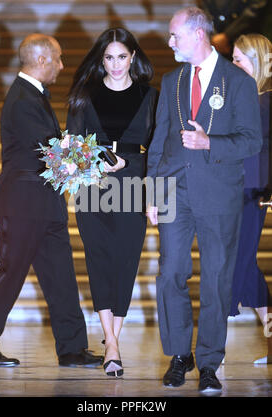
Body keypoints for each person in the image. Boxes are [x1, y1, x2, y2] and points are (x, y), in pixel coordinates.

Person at [146, 7, 262, 393]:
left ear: (198, 34)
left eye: (174, 35)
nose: (170, 42)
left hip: (219, 196)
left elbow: (252, 141)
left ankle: (209, 361)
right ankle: (180, 355)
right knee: (170, 274)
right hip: (174, 195)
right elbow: (160, 142)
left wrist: (210, 142)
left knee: (216, 279)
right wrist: (151, 192)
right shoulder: (172, 80)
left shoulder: (239, 83)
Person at [0, 33, 103, 368]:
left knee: (60, 275)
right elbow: (49, 152)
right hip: (24, 204)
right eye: (57, 58)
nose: (61, 65)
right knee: (10, 274)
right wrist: (94, 159)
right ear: (41, 60)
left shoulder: (32, 95)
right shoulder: (22, 98)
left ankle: (71, 348)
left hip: (44, 203)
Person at [66, 27, 157, 377]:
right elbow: (73, 145)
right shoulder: (84, 95)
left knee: (126, 261)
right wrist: (96, 161)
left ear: (133, 57)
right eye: (109, 57)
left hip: (133, 186)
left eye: (122, 56)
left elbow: (159, 150)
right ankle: (112, 342)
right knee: (99, 260)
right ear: (100, 59)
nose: (116, 64)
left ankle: (113, 339)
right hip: (93, 188)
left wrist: (135, 172)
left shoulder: (152, 96)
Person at [230, 33, 272, 363]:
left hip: (251, 191)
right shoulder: (242, 97)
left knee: (237, 264)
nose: (232, 65)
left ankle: (212, 348)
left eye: (238, 59)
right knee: (245, 265)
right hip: (233, 189)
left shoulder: (265, 100)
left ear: (256, 62)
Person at [197, 0, 268, 55]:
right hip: (215, 45)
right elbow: (205, 9)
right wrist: (213, 36)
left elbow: (254, 11)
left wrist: (227, 35)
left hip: (246, 44)